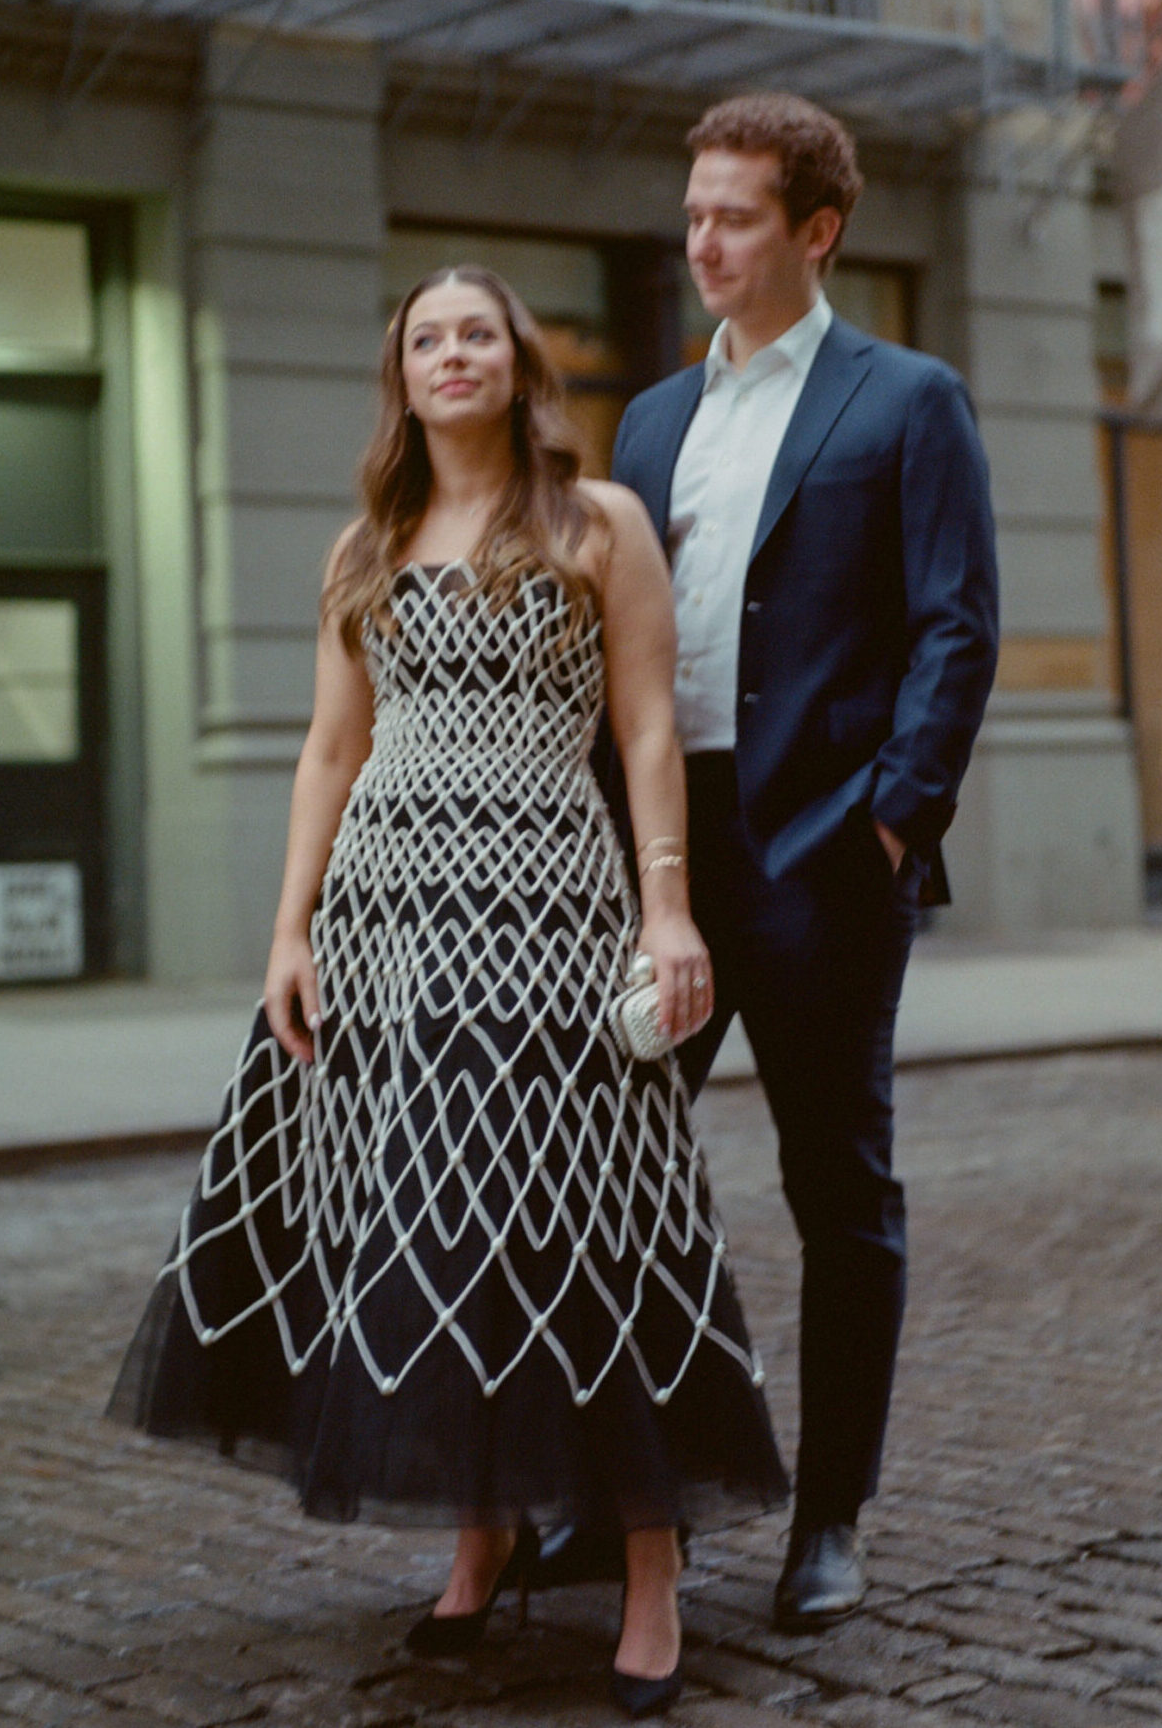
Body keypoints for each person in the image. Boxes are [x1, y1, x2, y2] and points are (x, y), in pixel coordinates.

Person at [108, 265, 787, 1719]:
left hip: (550, 908)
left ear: (519, 363)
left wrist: (668, 909)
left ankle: (652, 1562)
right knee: (430, 1221)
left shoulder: (597, 521)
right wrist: (288, 933)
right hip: (388, 925)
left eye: (478, 332)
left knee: (589, 1215)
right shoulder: (367, 545)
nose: (453, 354)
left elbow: (648, 725)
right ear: (403, 376)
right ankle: (483, 1537)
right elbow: (329, 751)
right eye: (428, 338)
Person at [543, 92, 1000, 1631]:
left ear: (818, 229)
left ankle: (830, 1516)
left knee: (838, 1189)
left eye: (734, 215)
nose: (703, 241)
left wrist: (891, 820)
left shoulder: (908, 399)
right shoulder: (652, 421)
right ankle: (621, 1494)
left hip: (823, 851)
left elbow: (956, 626)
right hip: (666, 856)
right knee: (602, 1164)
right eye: (692, 214)